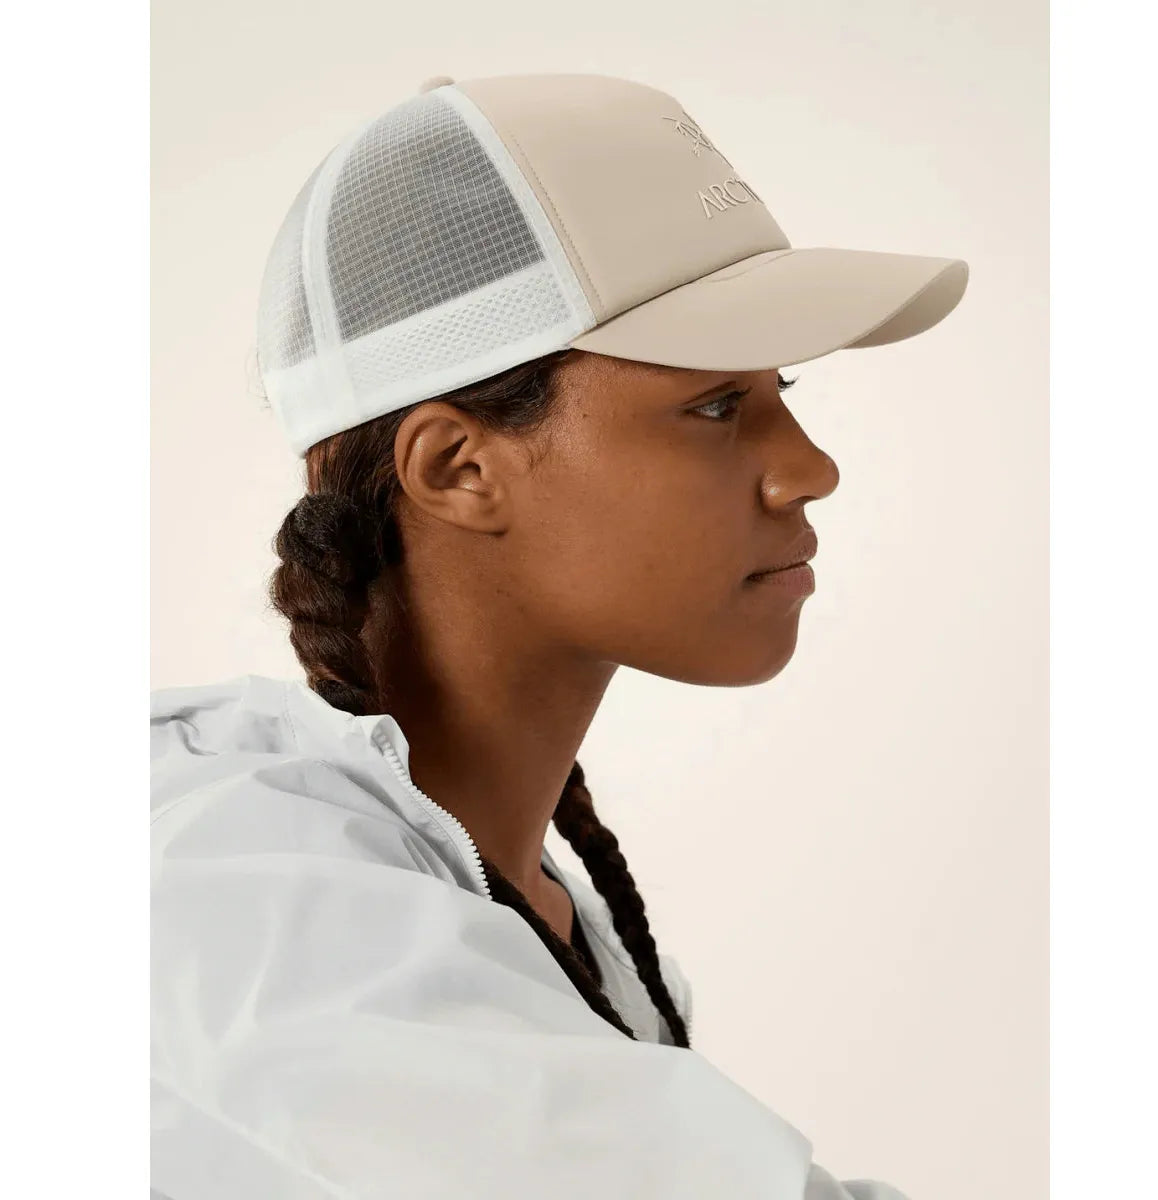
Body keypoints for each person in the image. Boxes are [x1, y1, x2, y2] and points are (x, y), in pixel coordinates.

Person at [151, 71, 970, 1198]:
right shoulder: (238, 884)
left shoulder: (540, 920)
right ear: (459, 468)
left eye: (780, 390)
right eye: (717, 406)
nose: (810, 468)